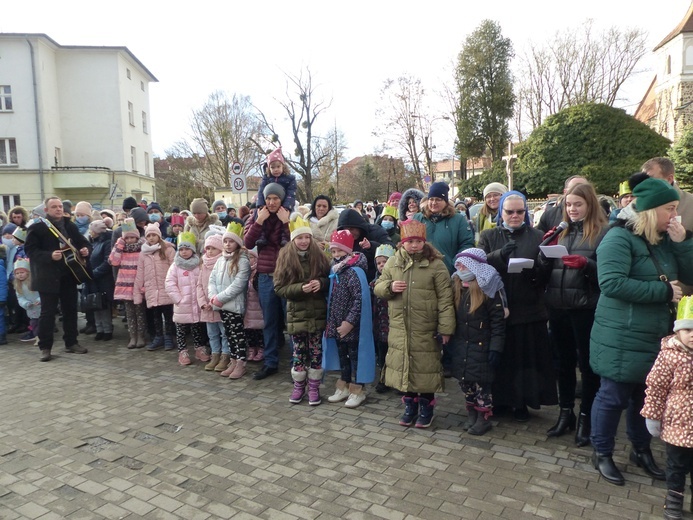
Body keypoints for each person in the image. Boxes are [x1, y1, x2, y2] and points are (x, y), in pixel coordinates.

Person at [590, 177, 693, 486]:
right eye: (670, 209)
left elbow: (689, 275)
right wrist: (662, 292)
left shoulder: (662, 240)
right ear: (650, 210)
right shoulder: (618, 238)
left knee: (644, 396)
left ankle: (641, 450)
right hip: (621, 335)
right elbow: (610, 283)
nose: (674, 216)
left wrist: (683, 242)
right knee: (613, 396)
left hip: (654, 335)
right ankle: (602, 452)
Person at [539, 182, 608, 446]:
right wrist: (546, 250)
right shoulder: (562, 231)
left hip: (585, 308)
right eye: (569, 205)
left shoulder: (603, 233)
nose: (572, 209)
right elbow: (543, 272)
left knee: (587, 366)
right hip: (557, 306)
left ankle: (586, 417)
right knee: (563, 363)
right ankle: (565, 412)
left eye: (578, 204)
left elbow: (608, 274)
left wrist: (587, 265)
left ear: (590, 205)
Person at [478, 191, 557, 421]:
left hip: (529, 306)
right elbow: (479, 265)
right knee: (502, 358)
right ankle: (501, 400)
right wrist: (499, 256)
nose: (514, 216)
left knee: (525, 359)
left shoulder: (538, 235)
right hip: (498, 307)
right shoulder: (489, 235)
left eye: (519, 211)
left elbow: (546, 273)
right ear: (500, 212)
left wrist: (539, 268)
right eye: (509, 211)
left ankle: (523, 402)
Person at [374, 219, 455, 428]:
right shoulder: (393, 262)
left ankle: (427, 407)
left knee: (425, 368)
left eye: (418, 241)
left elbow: (446, 298)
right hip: (401, 326)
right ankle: (410, 405)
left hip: (425, 327)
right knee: (404, 367)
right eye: (410, 241)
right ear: (402, 243)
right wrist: (390, 287)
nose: (414, 245)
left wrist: (446, 328)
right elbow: (378, 287)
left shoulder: (436, 264)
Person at [641, 297, 693, 519]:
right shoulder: (669, 355)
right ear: (678, 331)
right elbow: (656, 387)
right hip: (677, 425)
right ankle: (673, 500)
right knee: (676, 465)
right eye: (688, 330)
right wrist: (652, 416)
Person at [24, 196, 91, 361]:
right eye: (54, 207)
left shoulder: (70, 225)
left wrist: (85, 250)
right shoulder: (38, 227)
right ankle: (45, 347)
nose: (58, 209)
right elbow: (30, 251)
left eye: (60, 206)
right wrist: (49, 256)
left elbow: (84, 243)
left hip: (68, 275)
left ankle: (71, 343)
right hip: (47, 277)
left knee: (70, 311)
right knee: (47, 314)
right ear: (46, 210)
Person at [274, 214, 330, 405]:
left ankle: (314, 387)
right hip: (296, 315)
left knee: (316, 352)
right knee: (298, 353)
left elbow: (328, 279)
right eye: (300, 238)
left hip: (317, 313)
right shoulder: (285, 256)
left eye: (307, 237)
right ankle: (299, 386)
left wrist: (320, 284)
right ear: (293, 239)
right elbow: (279, 288)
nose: (304, 241)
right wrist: (300, 288)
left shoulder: (320, 256)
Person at [450, 248, 506, 435]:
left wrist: (496, 348)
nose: (461, 269)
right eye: (459, 265)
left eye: (465, 265)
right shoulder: (457, 284)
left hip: (482, 345)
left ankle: (483, 418)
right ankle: (472, 413)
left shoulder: (489, 288)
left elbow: (498, 322)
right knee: (465, 382)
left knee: (481, 385)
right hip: (461, 344)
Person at [322, 229, 375, 409]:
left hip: (350, 326)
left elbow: (359, 300)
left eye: (340, 251)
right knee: (343, 357)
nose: (336, 255)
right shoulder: (336, 270)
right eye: (334, 251)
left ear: (348, 251)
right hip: (337, 325)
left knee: (355, 358)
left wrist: (349, 323)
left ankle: (358, 389)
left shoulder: (353, 271)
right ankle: (344, 385)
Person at [244, 183, 291, 380]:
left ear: (282, 200)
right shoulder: (256, 216)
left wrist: (287, 223)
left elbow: (296, 243)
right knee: (269, 322)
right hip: (265, 276)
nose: (272, 202)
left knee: (291, 322)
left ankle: (297, 364)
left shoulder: (290, 216)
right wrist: (259, 222)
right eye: (269, 198)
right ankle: (270, 362)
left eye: (276, 199)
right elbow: (247, 243)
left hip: (287, 276)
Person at [208, 222, 251, 379]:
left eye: (231, 241)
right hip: (221, 305)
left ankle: (241, 362)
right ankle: (233, 360)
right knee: (229, 334)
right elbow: (212, 280)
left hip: (233, 305)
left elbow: (238, 285)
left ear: (238, 243)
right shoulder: (220, 260)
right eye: (225, 241)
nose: (227, 244)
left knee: (237, 334)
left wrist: (219, 298)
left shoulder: (242, 261)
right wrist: (213, 296)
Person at [165, 231, 208, 366]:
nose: (184, 252)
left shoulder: (198, 265)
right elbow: (169, 283)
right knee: (181, 329)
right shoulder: (175, 266)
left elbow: (202, 281)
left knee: (197, 328)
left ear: (193, 250)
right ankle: (182, 351)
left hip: (196, 304)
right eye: (181, 249)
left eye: (187, 249)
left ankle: (199, 348)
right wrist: (178, 299)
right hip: (182, 305)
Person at [133, 222, 176, 351]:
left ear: (159, 235)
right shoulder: (144, 253)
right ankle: (158, 337)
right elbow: (140, 272)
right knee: (156, 315)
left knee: (168, 315)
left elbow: (174, 268)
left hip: (165, 288)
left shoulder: (168, 249)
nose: (151, 238)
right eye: (149, 235)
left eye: (154, 235)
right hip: (152, 289)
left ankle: (169, 337)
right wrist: (137, 292)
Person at [196, 227, 230, 371]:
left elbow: (223, 285)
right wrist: (202, 303)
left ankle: (225, 355)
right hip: (207, 308)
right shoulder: (203, 265)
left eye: (213, 248)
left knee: (224, 333)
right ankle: (215, 354)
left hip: (218, 305)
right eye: (207, 248)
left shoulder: (223, 263)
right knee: (212, 334)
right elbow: (199, 285)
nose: (209, 251)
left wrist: (213, 301)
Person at [109, 219, 147, 349]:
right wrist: (119, 243)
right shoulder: (121, 249)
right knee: (129, 313)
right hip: (125, 285)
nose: (130, 240)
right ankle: (132, 336)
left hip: (138, 286)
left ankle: (141, 335)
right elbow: (113, 261)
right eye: (127, 237)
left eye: (132, 237)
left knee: (140, 312)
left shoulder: (142, 249)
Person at [336, 208, 393, 282]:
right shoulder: (342, 238)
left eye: (352, 229)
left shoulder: (376, 231)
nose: (349, 233)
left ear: (359, 226)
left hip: (377, 279)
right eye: (346, 230)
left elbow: (391, 248)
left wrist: (371, 246)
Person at [255, 148, 296, 245]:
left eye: (278, 166)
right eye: (273, 167)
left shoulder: (289, 179)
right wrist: (260, 205)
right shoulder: (267, 178)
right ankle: (262, 235)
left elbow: (291, 193)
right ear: (269, 168)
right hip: (267, 205)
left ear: (283, 166)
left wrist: (286, 207)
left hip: (285, 204)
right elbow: (261, 192)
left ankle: (284, 237)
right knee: (260, 214)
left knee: (287, 217)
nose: (276, 169)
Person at [371, 244, 396, 394]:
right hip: (379, 327)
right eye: (379, 262)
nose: (382, 265)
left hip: (393, 327)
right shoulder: (373, 283)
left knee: (395, 355)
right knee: (382, 354)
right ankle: (383, 378)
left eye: (385, 261)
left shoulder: (397, 281)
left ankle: (396, 380)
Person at [643, 156, 693, 231]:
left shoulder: (690, 204)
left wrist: (684, 238)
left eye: (651, 180)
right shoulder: (639, 203)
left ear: (669, 179)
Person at [86, 220, 114, 341]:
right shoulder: (92, 243)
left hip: (103, 279)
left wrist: (95, 273)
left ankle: (107, 329)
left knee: (104, 305)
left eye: (92, 230)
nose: (90, 232)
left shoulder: (107, 243)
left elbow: (107, 261)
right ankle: (99, 329)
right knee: (95, 304)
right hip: (93, 279)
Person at [243, 249, 265, 363]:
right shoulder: (244, 271)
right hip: (247, 308)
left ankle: (261, 349)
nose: (248, 260)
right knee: (249, 330)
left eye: (251, 257)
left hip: (258, 307)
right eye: (247, 258)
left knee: (259, 330)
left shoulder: (259, 271)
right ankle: (252, 348)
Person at [13, 258, 40, 343]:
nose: (20, 275)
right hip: (31, 308)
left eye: (22, 272)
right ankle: (37, 337)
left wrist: (40, 300)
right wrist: (26, 303)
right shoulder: (18, 285)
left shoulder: (34, 282)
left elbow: (42, 292)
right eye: (17, 273)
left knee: (43, 323)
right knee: (34, 324)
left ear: (28, 272)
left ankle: (42, 338)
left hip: (41, 306)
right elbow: (20, 297)